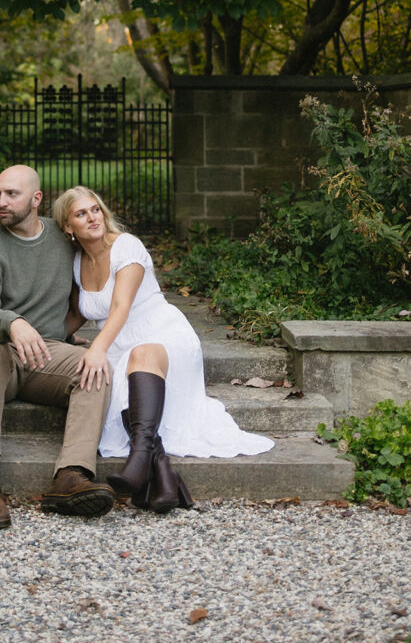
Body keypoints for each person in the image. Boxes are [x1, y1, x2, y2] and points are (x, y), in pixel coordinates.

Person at [53, 186, 274, 514]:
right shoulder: (78, 263)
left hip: (162, 335)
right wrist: (42, 340)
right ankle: (164, 477)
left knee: (137, 357)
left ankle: (138, 460)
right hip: (118, 345)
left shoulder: (127, 246)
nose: (92, 217)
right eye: (81, 214)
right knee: (110, 379)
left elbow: (120, 307)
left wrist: (98, 348)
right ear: (69, 227)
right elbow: (78, 315)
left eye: (95, 209)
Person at [0, 165, 115, 531]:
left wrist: (65, 334)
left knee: (95, 366)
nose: (1, 202)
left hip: (43, 355)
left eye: (12, 194)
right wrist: (13, 323)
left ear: (37, 199)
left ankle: (71, 476)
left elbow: (83, 295)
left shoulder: (62, 240)